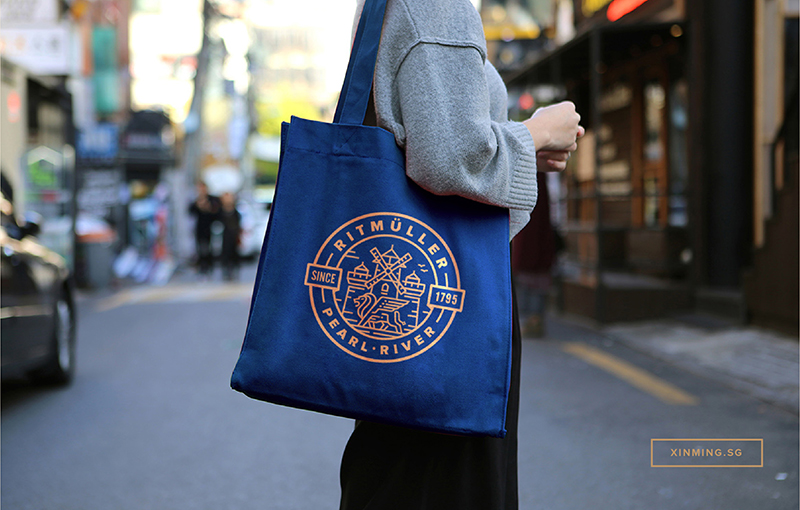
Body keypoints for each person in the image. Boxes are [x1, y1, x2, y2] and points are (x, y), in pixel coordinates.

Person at [337, 1, 583, 509]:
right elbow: (453, 159)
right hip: (449, 297)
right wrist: (538, 131)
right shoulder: (437, 5)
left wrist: (516, 147)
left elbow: (427, 141)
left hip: (411, 297)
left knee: (396, 474)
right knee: (447, 480)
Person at [188, 181, 220, 278]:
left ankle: (209, 268)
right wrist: (198, 205)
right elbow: (190, 211)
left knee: (209, 249)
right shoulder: (196, 200)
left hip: (210, 227)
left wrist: (208, 207)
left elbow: (216, 212)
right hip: (200, 228)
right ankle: (202, 269)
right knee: (200, 249)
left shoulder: (212, 199)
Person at [218, 192, 241, 281]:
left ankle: (234, 270)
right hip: (225, 235)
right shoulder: (220, 211)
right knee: (226, 253)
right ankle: (226, 271)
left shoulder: (235, 211)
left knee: (234, 253)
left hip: (234, 235)